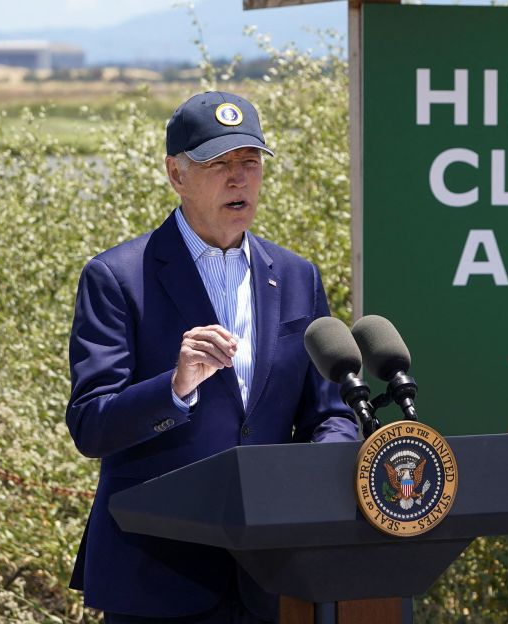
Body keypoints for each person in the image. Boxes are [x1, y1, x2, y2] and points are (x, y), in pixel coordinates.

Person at [65, 91, 358, 623]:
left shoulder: (298, 277)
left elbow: (331, 412)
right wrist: (174, 388)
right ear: (176, 174)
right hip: (155, 573)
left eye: (249, 163)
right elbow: (91, 426)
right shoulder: (117, 278)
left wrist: (316, 473)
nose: (238, 179)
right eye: (218, 164)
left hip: (272, 574)